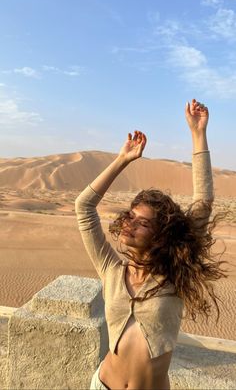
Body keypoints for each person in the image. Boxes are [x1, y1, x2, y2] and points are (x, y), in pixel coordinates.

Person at [75, 99, 226, 390]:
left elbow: (203, 203)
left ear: (161, 235)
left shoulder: (174, 276)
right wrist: (123, 159)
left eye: (142, 222)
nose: (129, 224)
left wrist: (198, 133)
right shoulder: (111, 270)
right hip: (102, 384)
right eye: (129, 216)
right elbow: (84, 207)